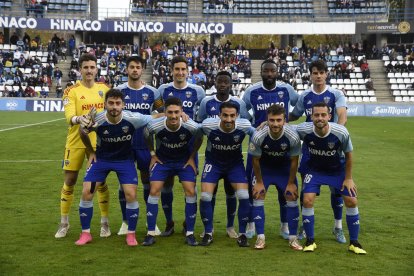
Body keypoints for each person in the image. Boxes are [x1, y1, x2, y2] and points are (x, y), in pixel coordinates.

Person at [75, 89, 162, 246]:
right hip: (101, 160)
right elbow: (83, 132)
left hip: (124, 161)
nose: (114, 107)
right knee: (87, 191)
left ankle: (131, 234)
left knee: (130, 194)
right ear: (105, 104)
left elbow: (154, 116)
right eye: (111, 103)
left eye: (117, 103)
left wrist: (176, 114)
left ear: (123, 105)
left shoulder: (133, 118)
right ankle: (85, 234)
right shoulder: (98, 119)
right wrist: (90, 151)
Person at [289, 60, 347, 243]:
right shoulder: (305, 96)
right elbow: (295, 115)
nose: (318, 76)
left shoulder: (336, 94)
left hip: (332, 150)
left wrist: (335, 135)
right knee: (306, 191)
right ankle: (304, 228)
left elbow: (342, 115)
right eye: (315, 72)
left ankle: (338, 227)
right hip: (310, 151)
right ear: (311, 75)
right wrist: (278, 121)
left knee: (337, 191)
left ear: (326, 74)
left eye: (321, 72)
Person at [296, 102, 366, 254]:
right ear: (311, 116)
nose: (319, 118)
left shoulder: (341, 132)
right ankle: (310, 241)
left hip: (337, 171)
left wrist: (348, 178)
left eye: (323, 115)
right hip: (315, 171)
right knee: (307, 199)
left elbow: (349, 155)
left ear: (329, 116)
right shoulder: (303, 129)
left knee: (351, 200)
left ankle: (354, 243)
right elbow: (284, 128)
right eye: (316, 115)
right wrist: (264, 124)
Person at [55, 53, 111, 239]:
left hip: (98, 143)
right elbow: (69, 117)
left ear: (96, 69)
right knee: (70, 181)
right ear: (80, 69)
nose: (89, 70)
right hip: (76, 141)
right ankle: (64, 222)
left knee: (100, 182)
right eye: (85, 67)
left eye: (92, 67)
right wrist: (81, 119)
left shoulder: (104, 89)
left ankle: (104, 222)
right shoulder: (71, 91)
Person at [242, 59, 299, 239]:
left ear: (277, 72)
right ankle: (251, 224)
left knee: (285, 191)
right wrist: (255, 128)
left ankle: (285, 226)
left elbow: (297, 108)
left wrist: (287, 125)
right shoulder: (251, 91)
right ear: (261, 72)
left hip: (282, 145)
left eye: (272, 71)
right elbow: (244, 115)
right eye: (265, 71)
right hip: (259, 145)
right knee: (254, 186)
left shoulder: (286, 90)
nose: (268, 74)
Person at [142, 97, 203, 246]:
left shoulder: (191, 125)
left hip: (183, 162)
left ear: (182, 111)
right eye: (170, 112)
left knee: (191, 191)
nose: (174, 116)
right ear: (165, 112)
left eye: (177, 112)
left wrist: (192, 157)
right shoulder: (155, 126)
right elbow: (146, 134)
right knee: (154, 190)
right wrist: (152, 154)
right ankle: (151, 232)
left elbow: (200, 136)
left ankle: (189, 233)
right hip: (163, 161)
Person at [197, 70, 250, 239]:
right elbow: (199, 126)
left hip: (233, 159)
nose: (222, 85)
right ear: (215, 82)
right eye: (220, 82)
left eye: (226, 82)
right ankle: (209, 228)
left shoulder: (238, 103)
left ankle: (230, 227)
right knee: (208, 193)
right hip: (213, 157)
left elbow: (246, 125)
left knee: (232, 192)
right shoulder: (206, 101)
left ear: (230, 84)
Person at [116, 56, 164, 236]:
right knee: (124, 184)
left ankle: (150, 221)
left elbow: (163, 113)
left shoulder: (153, 92)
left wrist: (150, 122)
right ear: (126, 70)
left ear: (142, 69)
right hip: (124, 145)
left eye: (138, 67)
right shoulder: (119, 91)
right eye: (131, 67)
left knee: (147, 182)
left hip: (145, 144)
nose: (135, 70)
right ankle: (125, 221)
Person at [157, 56, 205, 236]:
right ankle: (169, 222)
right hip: (166, 146)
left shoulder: (197, 91)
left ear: (188, 71)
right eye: (176, 69)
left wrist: (189, 118)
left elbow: (200, 118)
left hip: (188, 148)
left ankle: (188, 222)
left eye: (183, 69)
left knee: (190, 187)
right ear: (171, 70)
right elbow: (156, 112)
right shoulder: (162, 90)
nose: (180, 72)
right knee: (166, 185)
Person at [199, 101, 254, 247]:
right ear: (219, 115)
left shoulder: (245, 126)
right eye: (225, 115)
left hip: (234, 164)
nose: (228, 119)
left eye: (232, 116)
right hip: (213, 164)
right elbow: (194, 132)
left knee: (243, 195)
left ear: (237, 116)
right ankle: (208, 232)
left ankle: (241, 234)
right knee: (205, 196)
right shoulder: (208, 125)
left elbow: (257, 135)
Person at [249, 104, 302, 250]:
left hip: (284, 170)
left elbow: (294, 161)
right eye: (272, 120)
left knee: (291, 196)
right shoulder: (259, 135)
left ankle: (293, 238)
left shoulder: (292, 136)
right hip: (264, 170)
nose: (275, 124)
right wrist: (259, 182)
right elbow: (255, 160)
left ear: (284, 120)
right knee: (258, 195)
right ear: (267, 119)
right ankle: (260, 237)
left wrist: (291, 182)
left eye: (279, 120)